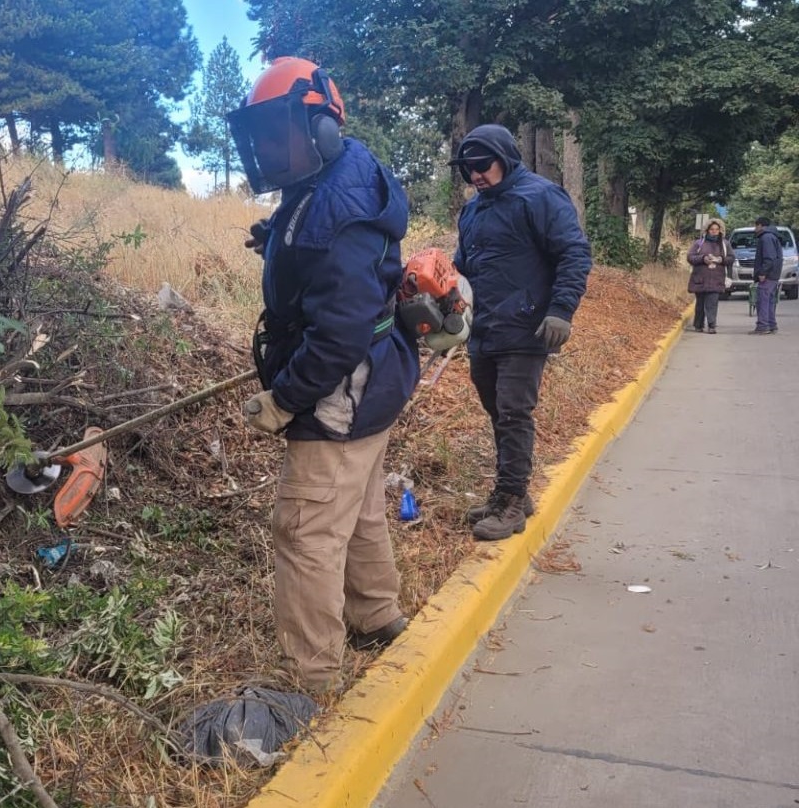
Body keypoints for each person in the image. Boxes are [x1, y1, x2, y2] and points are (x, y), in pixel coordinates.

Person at [227, 57, 418, 694]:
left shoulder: (337, 204)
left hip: (339, 391)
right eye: (258, 135)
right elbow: (319, 239)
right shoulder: (334, 174)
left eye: (275, 131)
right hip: (376, 388)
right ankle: (377, 615)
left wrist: (284, 399)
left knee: (306, 529)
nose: (264, 147)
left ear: (322, 128)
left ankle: (309, 678)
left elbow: (337, 334)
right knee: (359, 508)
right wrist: (276, 237)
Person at [448, 124, 592, 541]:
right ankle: (511, 493)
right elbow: (464, 267)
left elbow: (574, 253)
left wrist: (561, 310)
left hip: (526, 327)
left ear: (505, 157)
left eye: (482, 165)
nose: (475, 174)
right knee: (497, 411)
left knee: (514, 411)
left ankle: (511, 500)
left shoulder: (540, 196)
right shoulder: (473, 210)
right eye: (467, 168)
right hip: (484, 328)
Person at [686, 218, 734, 334]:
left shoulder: (725, 244)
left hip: (716, 278)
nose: (714, 231)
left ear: (720, 230)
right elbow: (690, 257)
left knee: (712, 303)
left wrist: (721, 259)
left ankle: (712, 325)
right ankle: (698, 325)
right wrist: (703, 258)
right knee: (700, 304)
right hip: (700, 278)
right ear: (707, 230)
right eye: (712, 229)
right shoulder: (699, 243)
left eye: (717, 229)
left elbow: (731, 258)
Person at [750, 216, 782, 335]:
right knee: (770, 301)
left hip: (768, 275)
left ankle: (763, 326)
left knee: (762, 300)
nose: (755, 229)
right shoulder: (773, 236)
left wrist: (762, 273)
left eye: (755, 226)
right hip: (774, 274)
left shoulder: (766, 238)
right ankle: (771, 324)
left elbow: (769, 258)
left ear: (760, 226)